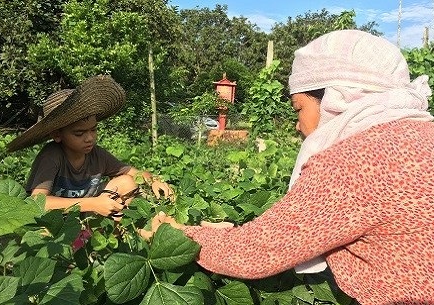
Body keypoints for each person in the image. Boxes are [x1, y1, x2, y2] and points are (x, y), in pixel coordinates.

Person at [141, 30, 434, 305]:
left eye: (299, 109)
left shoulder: (355, 160)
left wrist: (180, 234)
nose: (298, 125)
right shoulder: (422, 135)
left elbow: (259, 250)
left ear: (337, 99)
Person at [7, 75, 173, 219]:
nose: (90, 138)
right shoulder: (52, 156)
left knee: (127, 183)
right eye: (79, 133)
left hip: (91, 218)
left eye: (93, 129)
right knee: (43, 232)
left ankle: (114, 236)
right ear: (57, 135)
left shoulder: (97, 155)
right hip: (59, 222)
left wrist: (154, 180)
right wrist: (92, 204)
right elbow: (38, 202)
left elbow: (132, 172)